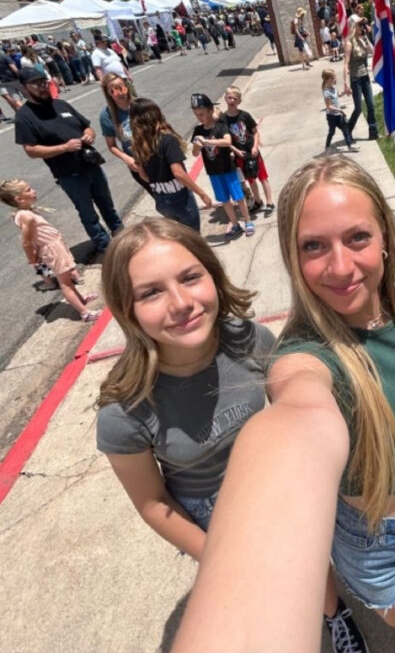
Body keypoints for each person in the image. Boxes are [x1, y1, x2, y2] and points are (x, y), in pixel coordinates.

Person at [171, 156, 395, 653]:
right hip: (373, 539)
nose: (339, 267)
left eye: (357, 238)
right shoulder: (304, 360)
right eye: (314, 246)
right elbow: (297, 416)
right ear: (293, 256)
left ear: (386, 237)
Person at [95, 217, 275, 575]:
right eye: (150, 293)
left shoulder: (251, 340)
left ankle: (334, 611)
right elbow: (152, 502)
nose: (180, 303)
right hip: (210, 510)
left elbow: (294, 419)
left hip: (272, 479)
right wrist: (214, 558)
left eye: (190, 277)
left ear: (213, 276)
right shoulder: (123, 411)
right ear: (126, 310)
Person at [14, 67, 123, 253]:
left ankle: (121, 237)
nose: (42, 87)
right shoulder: (24, 117)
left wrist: (89, 135)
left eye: (44, 83)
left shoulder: (61, 104)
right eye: (36, 85)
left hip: (91, 165)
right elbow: (31, 150)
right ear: (24, 89)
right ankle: (106, 248)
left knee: (107, 205)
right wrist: (64, 148)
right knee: (88, 214)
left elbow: (87, 127)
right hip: (69, 175)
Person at [0, 179, 100, 321]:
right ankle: (84, 312)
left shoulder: (25, 212)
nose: (33, 191)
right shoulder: (26, 216)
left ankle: (80, 299)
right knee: (65, 284)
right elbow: (26, 242)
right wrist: (32, 259)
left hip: (54, 247)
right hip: (52, 250)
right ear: (19, 199)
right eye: (28, 189)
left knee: (68, 281)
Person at [129, 98, 212, 231]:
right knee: (193, 236)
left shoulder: (137, 144)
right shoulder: (167, 140)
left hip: (161, 199)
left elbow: (143, 175)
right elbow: (178, 173)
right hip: (180, 198)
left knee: (179, 235)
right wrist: (201, 193)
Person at [190, 93, 254, 239]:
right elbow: (194, 154)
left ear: (211, 111)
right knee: (224, 200)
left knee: (239, 197)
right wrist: (197, 146)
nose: (199, 117)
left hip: (227, 169)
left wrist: (208, 142)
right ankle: (235, 224)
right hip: (213, 172)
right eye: (196, 115)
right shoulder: (198, 131)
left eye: (202, 114)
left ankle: (248, 221)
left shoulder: (221, 126)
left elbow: (227, 141)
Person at [220, 85, 275, 218]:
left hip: (252, 152)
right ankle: (257, 201)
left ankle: (269, 202)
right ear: (225, 99)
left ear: (239, 101)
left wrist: (255, 146)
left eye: (235, 98)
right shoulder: (223, 119)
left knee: (262, 177)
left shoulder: (245, 115)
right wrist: (235, 150)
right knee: (250, 179)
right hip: (240, 155)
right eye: (229, 97)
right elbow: (225, 139)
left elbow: (255, 132)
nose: (231, 100)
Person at [343, 19, 379, 141]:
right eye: (360, 25)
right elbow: (346, 64)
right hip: (355, 79)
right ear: (354, 26)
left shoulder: (362, 39)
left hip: (365, 77)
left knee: (371, 105)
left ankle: (373, 132)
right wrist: (346, 82)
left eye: (363, 25)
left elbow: (373, 51)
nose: (362, 27)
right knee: (358, 108)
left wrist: (365, 39)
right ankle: (348, 129)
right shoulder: (349, 42)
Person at [321, 69, 358, 155]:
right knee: (332, 132)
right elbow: (329, 106)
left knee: (345, 130)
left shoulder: (333, 88)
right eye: (333, 77)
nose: (336, 79)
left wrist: (345, 92)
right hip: (331, 116)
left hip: (338, 115)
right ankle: (327, 147)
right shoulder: (326, 92)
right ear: (328, 80)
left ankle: (350, 146)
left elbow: (338, 95)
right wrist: (340, 110)